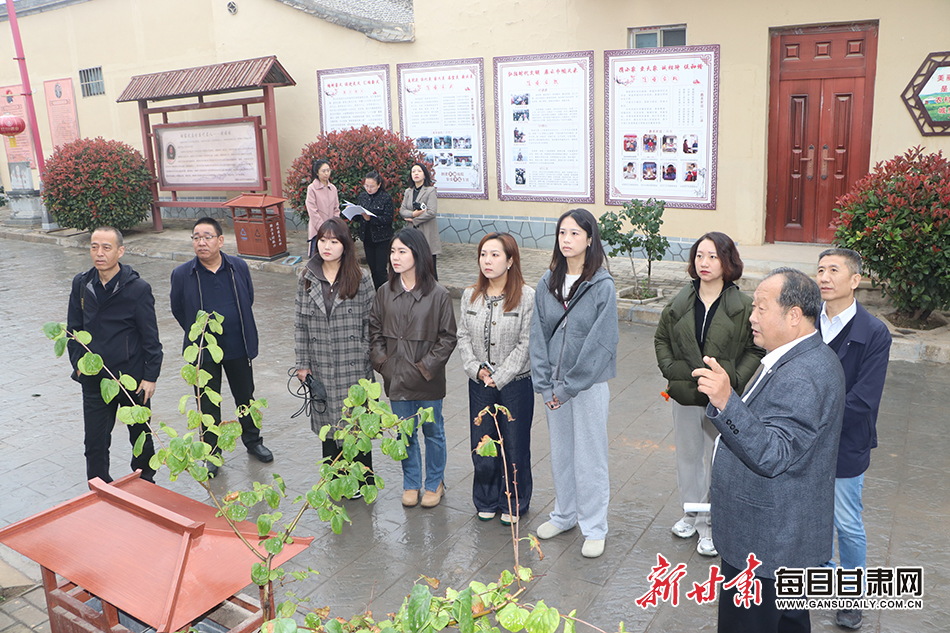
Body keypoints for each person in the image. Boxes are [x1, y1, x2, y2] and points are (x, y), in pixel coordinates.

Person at [692, 268, 845, 632]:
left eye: (761, 308)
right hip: (781, 538)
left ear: (794, 315)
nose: (752, 316)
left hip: (768, 544)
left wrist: (727, 402)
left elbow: (773, 453)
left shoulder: (803, 374)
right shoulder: (796, 357)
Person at [654, 232, 764, 557]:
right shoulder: (681, 301)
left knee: (719, 461)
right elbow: (661, 339)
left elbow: (755, 348)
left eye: (713, 256)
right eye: (700, 255)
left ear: (728, 262)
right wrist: (672, 370)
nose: (704, 262)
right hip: (686, 394)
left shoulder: (742, 306)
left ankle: (712, 524)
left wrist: (735, 379)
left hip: (723, 398)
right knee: (688, 459)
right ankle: (692, 514)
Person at [529, 208, 618, 559]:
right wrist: (545, 385)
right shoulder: (547, 282)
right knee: (562, 452)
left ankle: (594, 526)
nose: (566, 240)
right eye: (562, 233)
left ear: (590, 239)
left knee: (590, 456)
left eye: (575, 234)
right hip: (553, 384)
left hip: (587, 385)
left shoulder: (602, 285)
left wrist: (568, 387)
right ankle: (564, 515)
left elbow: (602, 343)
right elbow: (537, 335)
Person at [816, 248, 892, 630]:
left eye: (834, 270)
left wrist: (813, 422)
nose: (824, 277)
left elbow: (864, 399)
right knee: (810, 516)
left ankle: (852, 595)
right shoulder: (805, 321)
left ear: (855, 280)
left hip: (845, 443)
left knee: (846, 522)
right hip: (803, 443)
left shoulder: (874, 332)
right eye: (820, 270)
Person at [170, 218, 273, 476]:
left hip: (238, 345)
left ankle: (253, 441)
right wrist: (198, 335)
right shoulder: (183, 274)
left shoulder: (238, 266)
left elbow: (248, 297)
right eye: (196, 237)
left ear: (220, 240)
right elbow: (178, 309)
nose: (201, 242)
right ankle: (212, 453)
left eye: (207, 236)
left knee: (245, 397)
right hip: (203, 351)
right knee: (207, 403)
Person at [369, 227, 457, 508]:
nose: (395, 257)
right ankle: (411, 482)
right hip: (396, 378)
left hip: (427, 380)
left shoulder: (438, 294)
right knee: (404, 433)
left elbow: (447, 338)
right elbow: (374, 332)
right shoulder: (384, 292)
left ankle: (435, 482)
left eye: (402, 251)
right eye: (393, 251)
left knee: (433, 432)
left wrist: (424, 368)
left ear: (417, 255)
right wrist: (384, 365)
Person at [67, 226, 162, 483]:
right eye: (94, 246)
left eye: (106, 247)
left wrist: (150, 377)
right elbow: (73, 330)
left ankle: (145, 481)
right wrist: (79, 366)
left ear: (120, 251)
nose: (99, 253)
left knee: (141, 437)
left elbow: (151, 339)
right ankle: (100, 488)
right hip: (94, 379)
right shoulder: (82, 284)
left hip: (132, 378)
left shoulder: (138, 289)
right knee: (95, 442)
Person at [457, 233, 535, 525]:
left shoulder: (527, 296)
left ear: (510, 260)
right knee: (483, 443)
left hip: (516, 384)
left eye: (495, 255)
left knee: (515, 444)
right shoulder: (470, 295)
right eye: (483, 255)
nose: (487, 261)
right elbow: (463, 336)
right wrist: (475, 368)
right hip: (480, 383)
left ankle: (514, 500)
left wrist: (500, 376)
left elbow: (526, 343)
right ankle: (486, 498)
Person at [295, 218, 376, 486]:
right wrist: (302, 363)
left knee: (356, 425)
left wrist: (364, 352)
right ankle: (335, 480)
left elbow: (372, 322)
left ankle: (362, 481)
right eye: (322, 240)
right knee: (329, 426)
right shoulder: (307, 277)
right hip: (321, 364)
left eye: (333, 241)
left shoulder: (361, 278)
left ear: (345, 245)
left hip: (353, 364)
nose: (326, 246)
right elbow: (300, 323)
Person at [399, 162, 441, 279]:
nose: (416, 173)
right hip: (412, 233)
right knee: (415, 267)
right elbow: (402, 210)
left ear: (424, 174)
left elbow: (431, 212)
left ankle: (433, 290)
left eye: (419, 171)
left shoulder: (430, 191)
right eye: (413, 171)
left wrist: (414, 220)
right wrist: (413, 214)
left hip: (426, 232)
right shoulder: (408, 191)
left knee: (429, 268)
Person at [356, 170, 395, 289]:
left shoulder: (385, 198)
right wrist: (354, 213)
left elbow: (388, 219)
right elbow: (359, 217)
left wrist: (371, 219)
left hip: (382, 239)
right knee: (372, 269)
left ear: (379, 185)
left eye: (372, 186)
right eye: (366, 186)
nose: (368, 189)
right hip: (367, 238)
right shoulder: (362, 197)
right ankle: (378, 292)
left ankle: (386, 292)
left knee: (380, 270)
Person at [305, 158, 340, 256]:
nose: (326, 173)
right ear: (317, 172)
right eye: (323, 171)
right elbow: (312, 211)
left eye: (328, 170)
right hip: (317, 230)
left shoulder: (333, 188)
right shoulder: (312, 188)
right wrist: (323, 228)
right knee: (316, 258)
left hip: (332, 230)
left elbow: (336, 209)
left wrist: (333, 225)